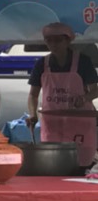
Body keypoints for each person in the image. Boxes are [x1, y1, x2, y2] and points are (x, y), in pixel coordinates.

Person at [27, 22, 98, 157]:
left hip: (80, 123)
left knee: (81, 162)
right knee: (54, 161)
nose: (54, 44)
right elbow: (33, 95)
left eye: (58, 40)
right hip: (52, 124)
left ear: (68, 41)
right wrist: (32, 115)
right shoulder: (41, 64)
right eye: (49, 41)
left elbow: (95, 90)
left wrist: (84, 98)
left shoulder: (83, 62)